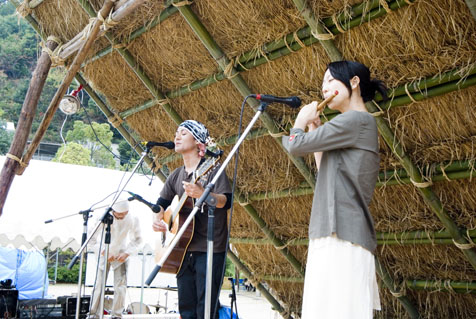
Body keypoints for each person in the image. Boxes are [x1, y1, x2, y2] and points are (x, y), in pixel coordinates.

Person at [282, 61, 388, 318]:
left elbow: (295, 145)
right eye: (322, 84)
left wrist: (300, 121)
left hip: (342, 233)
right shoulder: (351, 125)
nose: (324, 88)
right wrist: (316, 129)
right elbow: (325, 170)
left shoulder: (355, 120)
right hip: (335, 231)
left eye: (330, 80)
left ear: (353, 82)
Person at [152, 120, 232, 319]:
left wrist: (203, 193)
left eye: (184, 133)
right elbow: (160, 203)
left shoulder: (212, 169)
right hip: (182, 248)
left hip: (209, 248)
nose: (176, 137)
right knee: (186, 308)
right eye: (176, 133)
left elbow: (226, 201)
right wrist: (158, 219)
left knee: (205, 308)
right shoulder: (176, 175)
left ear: (199, 143)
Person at [88, 199, 143, 319]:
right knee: (99, 285)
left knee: (120, 286)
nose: (123, 216)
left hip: (121, 254)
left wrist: (127, 253)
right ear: (113, 211)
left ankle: (117, 315)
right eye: (119, 214)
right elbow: (91, 239)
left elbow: (138, 240)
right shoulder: (102, 218)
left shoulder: (132, 218)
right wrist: (103, 251)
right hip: (104, 253)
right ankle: (94, 314)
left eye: (125, 213)